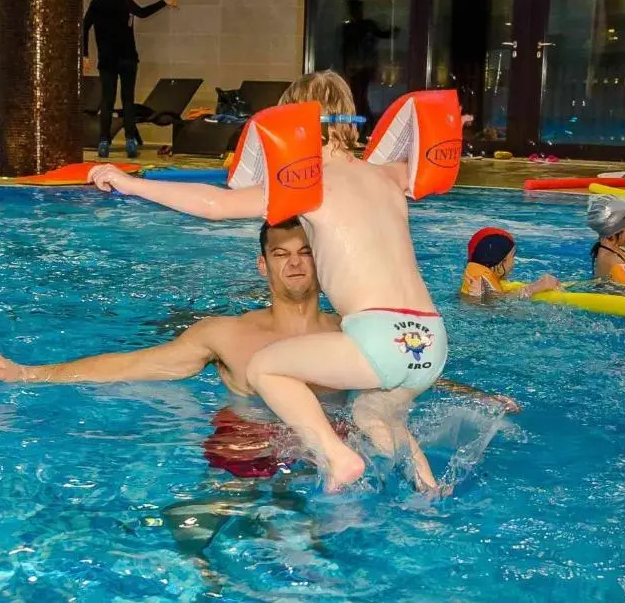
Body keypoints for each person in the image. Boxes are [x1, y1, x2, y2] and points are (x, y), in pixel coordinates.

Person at [85, 70, 461, 492]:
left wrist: (131, 184)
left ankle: (338, 459)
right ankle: (429, 491)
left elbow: (215, 204)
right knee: (373, 414)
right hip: (430, 342)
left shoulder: (309, 184)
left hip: (377, 335)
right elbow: (424, 160)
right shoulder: (388, 175)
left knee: (266, 368)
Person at [0, 219, 519, 476]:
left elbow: (401, 368)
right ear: (263, 265)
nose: (295, 263)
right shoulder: (225, 333)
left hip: (335, 445)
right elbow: (135, 365)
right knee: (211, 536)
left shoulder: (351, 331)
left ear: (323, 261)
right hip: (246, 444)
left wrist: (474, 395)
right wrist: (29, 373)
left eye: (306, 252)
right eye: (281, 254)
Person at [83, 0, 178, 159]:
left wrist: (85, 54)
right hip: (127, 57)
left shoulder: (97, 1)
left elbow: (84, 27)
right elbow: (142, 12)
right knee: (127, 100)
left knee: (107, 100)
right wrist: (163, 2)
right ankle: (130, 141)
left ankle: (104, 141)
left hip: (107, 59)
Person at [340, 0, 396, 133]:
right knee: (359, 98)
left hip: (360, 68)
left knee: (359, 98)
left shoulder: (360, 27)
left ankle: (365, 125)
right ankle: (367, 125)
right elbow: (346, 49)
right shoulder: (355, 28)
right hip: (358, 68)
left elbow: (346, 50)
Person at [460, 227, 560, 299]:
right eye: (512, 257)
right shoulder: (481, 280)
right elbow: (494, 303)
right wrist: (536, 287)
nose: (513, 263)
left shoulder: (476, 273)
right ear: (501, 261)